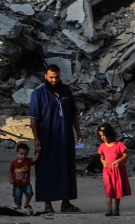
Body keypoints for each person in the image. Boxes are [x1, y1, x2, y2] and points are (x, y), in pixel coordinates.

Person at [29, 64, 83, 215]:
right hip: (47, 138)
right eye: (51, 77)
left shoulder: (66, 91)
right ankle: (48, 204)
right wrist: (36, 138)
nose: (54, 80)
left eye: (57, 77)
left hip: (65, 137)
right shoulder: (38, 94)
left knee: (66, 168)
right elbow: (33, 119)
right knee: (47, 169)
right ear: (45, 76)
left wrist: (78, 131)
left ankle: (66, 203)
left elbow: (73, 114)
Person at [97, 123, 131, 216]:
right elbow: (101, 157)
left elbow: (126, 155)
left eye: (104, 135)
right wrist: (103, 162)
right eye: (101, 136)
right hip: (107, 171)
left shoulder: (119, 144)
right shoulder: (102, 146)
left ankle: (116, 210)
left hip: (117, 171)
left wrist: (119, 161)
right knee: (108, 189)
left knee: (117, 189)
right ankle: (109, 210)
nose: (103, 137)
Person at [9, 142, 36, 214]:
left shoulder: (28, 161)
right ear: (17, 153)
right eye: (21, 154)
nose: (23, 156)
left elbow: (35, 159)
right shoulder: (14, 163)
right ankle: (18, 207)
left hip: (26, 183)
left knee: (30, 193)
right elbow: (10, 171)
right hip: (17, 184)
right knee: (17, 196)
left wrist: (38, 152)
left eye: (25, 154)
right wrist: (10, 178)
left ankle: (26, 205)